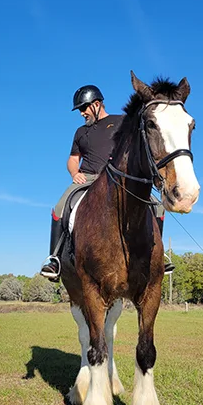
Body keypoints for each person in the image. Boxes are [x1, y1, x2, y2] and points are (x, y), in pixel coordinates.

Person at [40, 84, 172, 280]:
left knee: (158, 207)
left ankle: (157, 256)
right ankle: (55, 259)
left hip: (118, 179)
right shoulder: (80, 133)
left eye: (84, 108)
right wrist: (74, 173)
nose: (82, 113)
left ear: (96, 104)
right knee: (59, 208)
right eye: (80, 110)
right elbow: (73, 159)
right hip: (88, 178)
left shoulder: (121, 122)